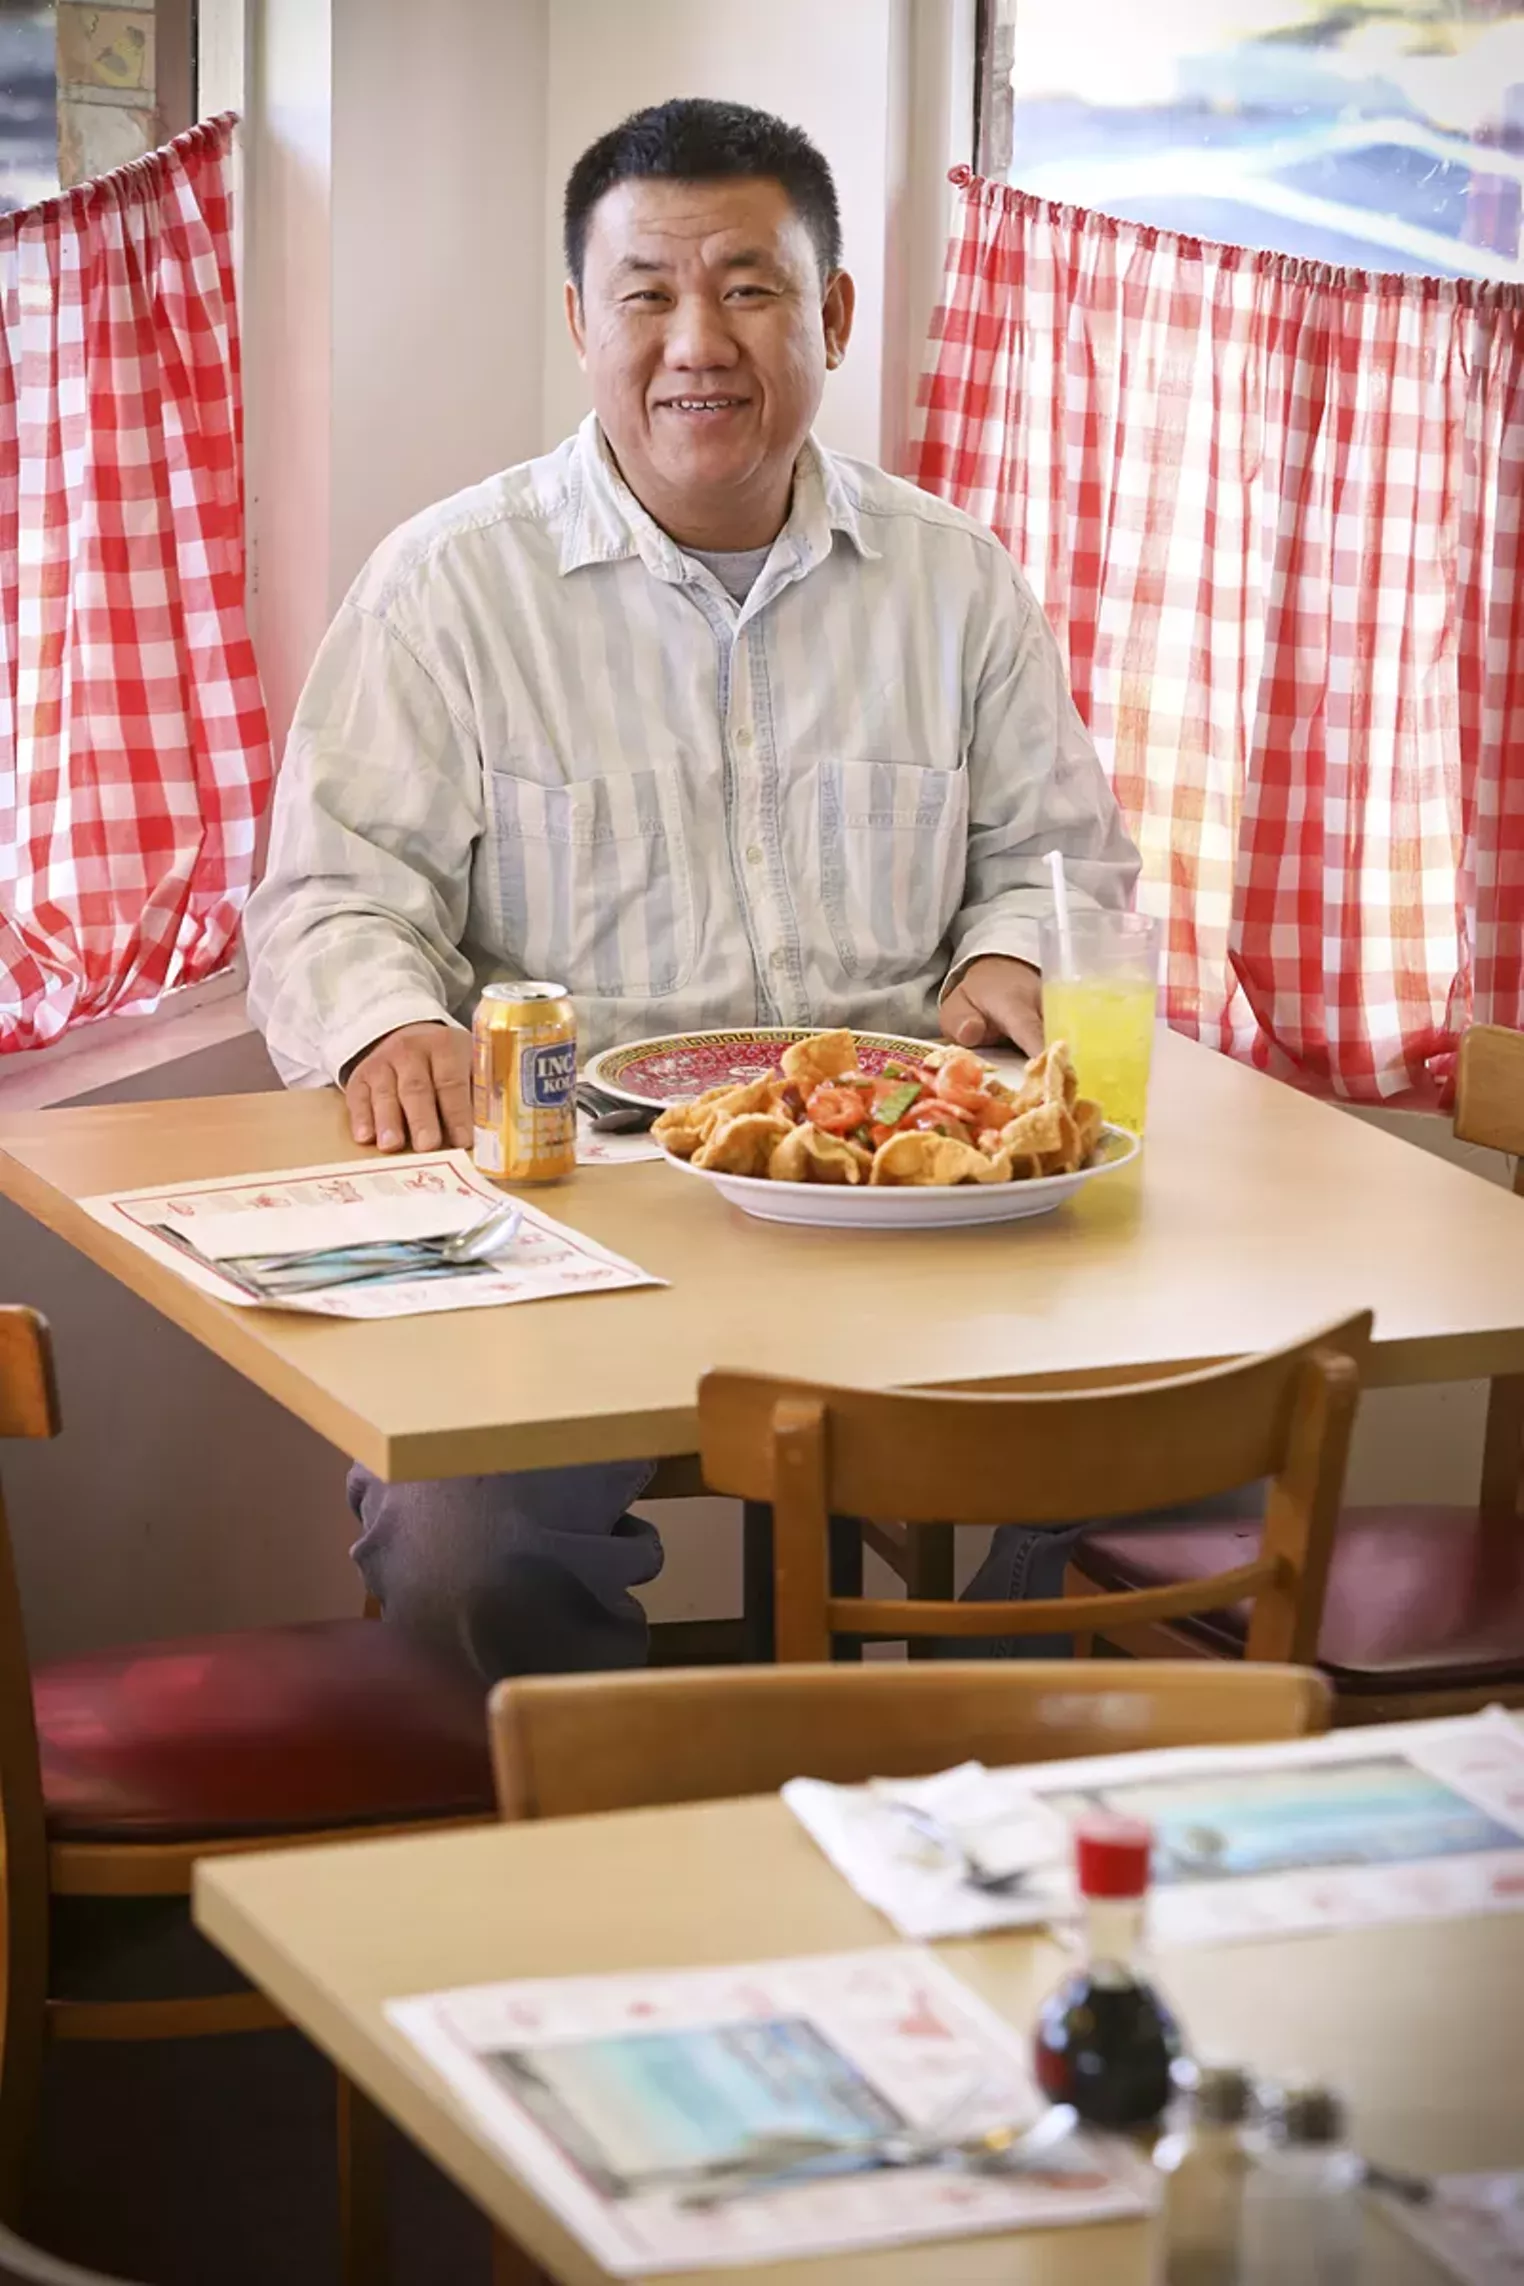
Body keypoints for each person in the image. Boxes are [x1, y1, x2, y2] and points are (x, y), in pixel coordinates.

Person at [244, 97, 1141, 1683]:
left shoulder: (956, 582)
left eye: (749, 286)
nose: (695, 341)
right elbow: (332, 897)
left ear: (834, 315)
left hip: (904, 1205)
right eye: (647, 293)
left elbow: (1058, 858)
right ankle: (633, 1860)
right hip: (574, 1217)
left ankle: (947, 1791)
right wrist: (385, 1023)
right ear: (582, 321)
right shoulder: (452, 587)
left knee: (1184, 1449)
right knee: (461, 1551)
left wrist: (1012, 952)